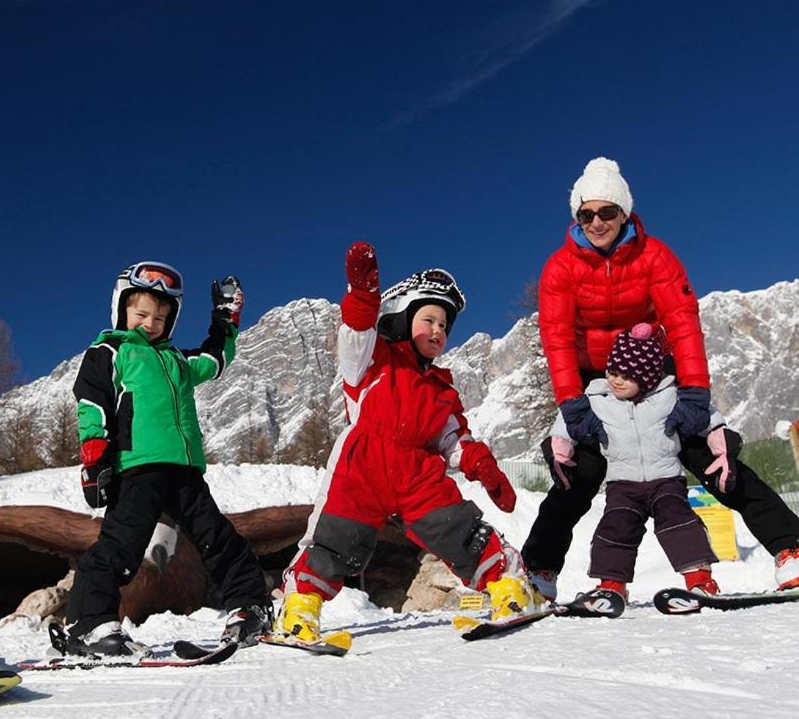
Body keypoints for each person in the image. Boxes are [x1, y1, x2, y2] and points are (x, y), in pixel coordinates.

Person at [524, 157, 799, 600]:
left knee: (707, 455)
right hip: (596, 377)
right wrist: (572, 404)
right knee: (578, 472)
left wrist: (692, 392)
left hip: (654, 370)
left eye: (607, 212)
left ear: (625, 212)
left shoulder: (656, 256)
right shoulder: (561, 268)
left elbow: (683, 322)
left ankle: (791, 548)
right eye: (587, 214)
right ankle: (539, 570)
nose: (597, 222)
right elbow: (556, 338)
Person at [276, 242, 538, 644]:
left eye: (445, 326)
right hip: (363, 466)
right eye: (429, 319)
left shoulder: (441, 389)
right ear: (400, 316)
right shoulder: (371, 361)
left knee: (459, 529)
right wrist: (363, 295)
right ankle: (300, 611)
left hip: (418, 471)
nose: (438, 331)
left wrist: (482, 465)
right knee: (334, 539)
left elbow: (454, 439)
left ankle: (509, 589)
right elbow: (357, 329)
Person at [61, 261, 271, 658]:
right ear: (122, 309)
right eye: (141, 313)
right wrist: (94, 457)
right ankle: (87, 624)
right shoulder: (111, 351)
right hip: (135, 467)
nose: (150, 323)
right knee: (121, 546)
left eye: (160, 316)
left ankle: (249, 606)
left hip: (184, 469)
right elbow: (92, 403)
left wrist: (225, 322)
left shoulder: (177, 361)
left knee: (218, 537)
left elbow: (214, 360)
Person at [548, 323, 732, 606]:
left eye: (626, 376)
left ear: (645, 378)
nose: (615, 380)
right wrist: (559, 449)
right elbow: (567, 422)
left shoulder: (668, 395)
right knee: (615, 527)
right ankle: (611, 586)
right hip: (622, 483)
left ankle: (700, 581)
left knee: (678, 521)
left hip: (666, 479)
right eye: (612, 371)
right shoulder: (598, 398)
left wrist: (723, 445)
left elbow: (706, 415)